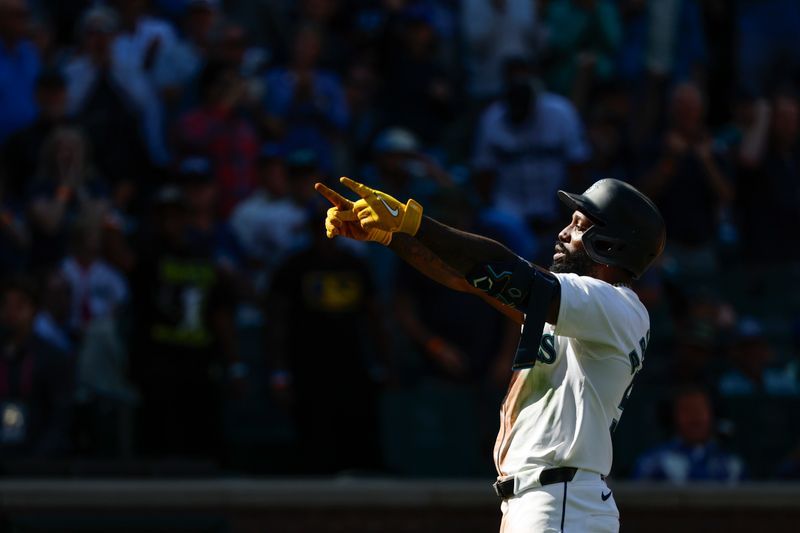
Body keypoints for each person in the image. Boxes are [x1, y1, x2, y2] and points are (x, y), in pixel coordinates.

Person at [316, 175, 665, 532]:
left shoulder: (615, 305)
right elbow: (468, 278)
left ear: (611, 244)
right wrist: (390, 236)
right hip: (552, 501)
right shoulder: (587, 312)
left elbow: (505, 269)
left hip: (561, 500)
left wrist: (414, 223)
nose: (563, 233)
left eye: (578, 226)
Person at [632, 386, 744, 483]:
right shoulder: (653, 464)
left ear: (712, 414)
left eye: (700, 410)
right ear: (672, 416)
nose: (694, 417)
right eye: (687, 410)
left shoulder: (732, 466)